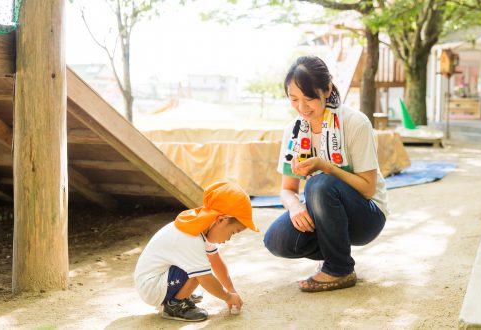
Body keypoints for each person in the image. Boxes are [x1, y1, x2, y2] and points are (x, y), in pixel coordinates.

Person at [263, 55, 388, 293]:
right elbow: (287, 190)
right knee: (276, 240)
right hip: (324, 211)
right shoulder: (294, 130)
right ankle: (335, 253)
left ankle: (339, 268)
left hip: (366, 214)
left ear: (327, 88)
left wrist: (327, 167)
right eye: (294, 99)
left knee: (319, 185)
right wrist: (295, 207)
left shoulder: (354, 122)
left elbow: (368, 189)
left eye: (309, 98)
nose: (302, 107)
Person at [134, 181, 259, 322]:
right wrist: (228, 297)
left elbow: (217, 262)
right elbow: (205, 278)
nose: (228, 239)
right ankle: (175, 305)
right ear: (222, 220)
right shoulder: (191, 238)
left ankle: (179, 293)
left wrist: (231, 290)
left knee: (201, 265)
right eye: (233, 232)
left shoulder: (201, 225)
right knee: (199, 270)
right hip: (152, 288)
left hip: (159, 279)